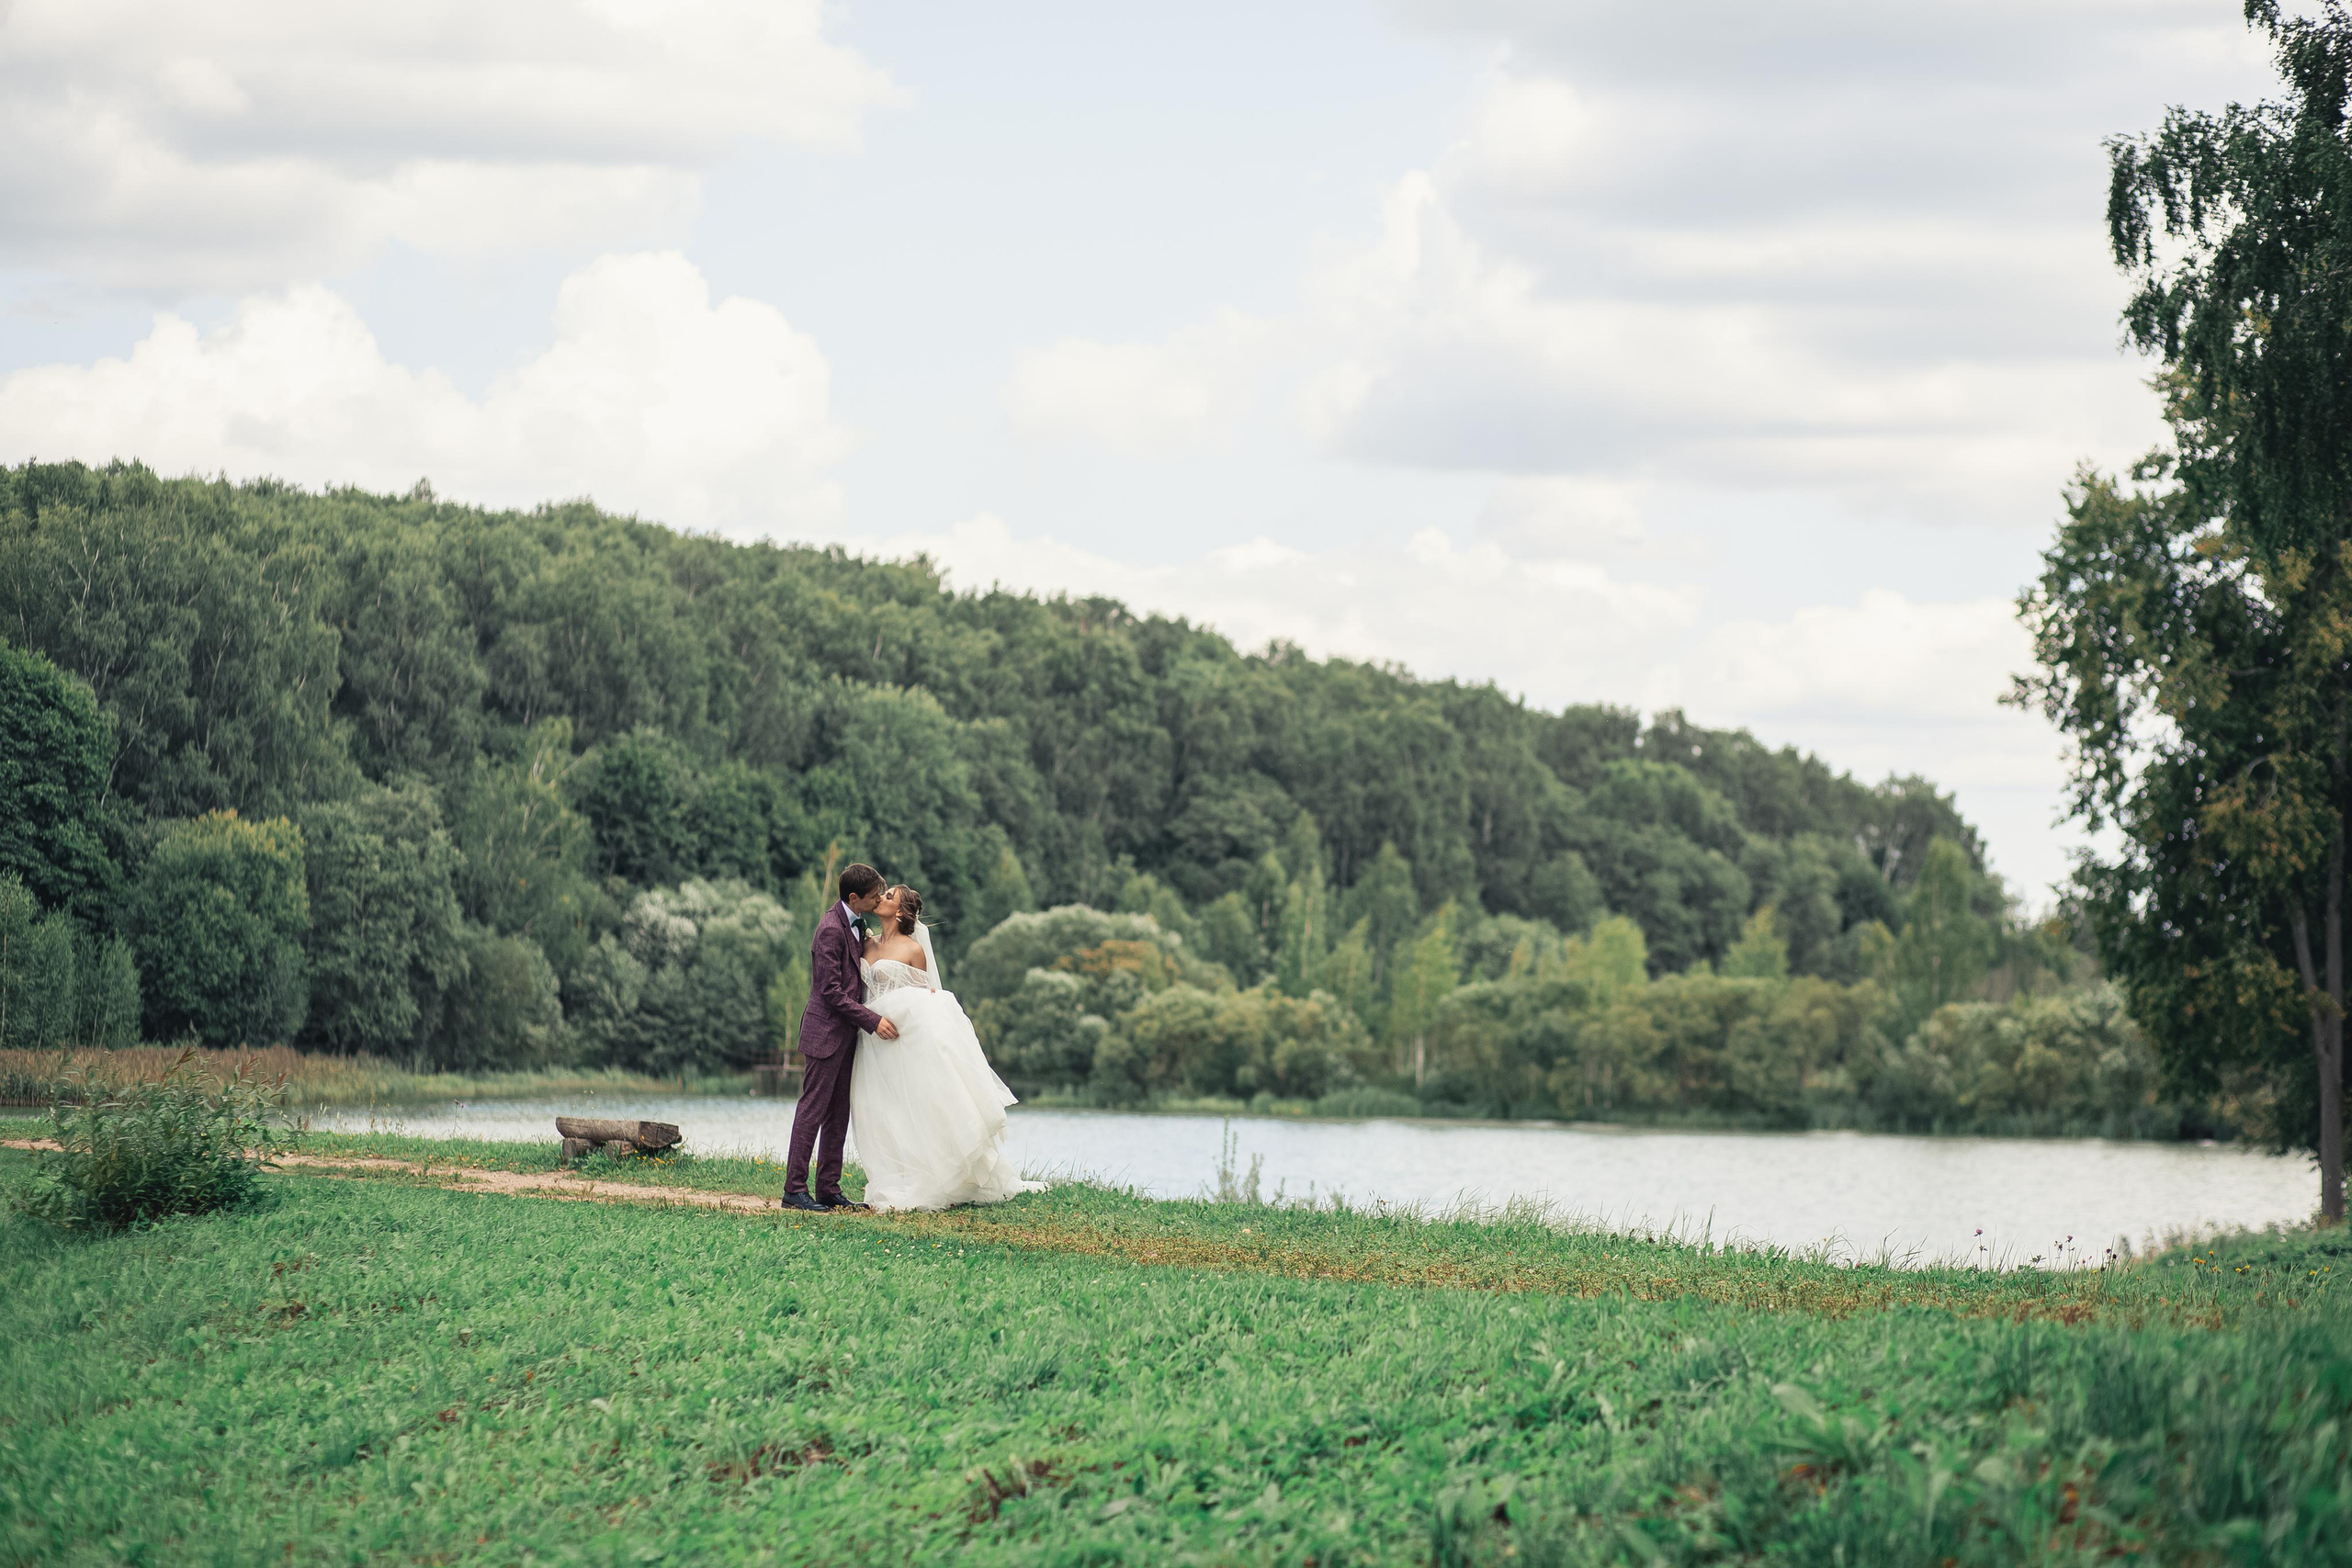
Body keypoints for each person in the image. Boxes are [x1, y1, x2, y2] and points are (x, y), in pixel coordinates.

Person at [846, 884, 1044, 1211]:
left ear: (900, 911)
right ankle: (892, 1171)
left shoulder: (913, 950)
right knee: (879, 1108)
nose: (881, 898)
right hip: (871, 1039)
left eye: (889, 896)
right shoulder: (865, 943)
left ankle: (929, 1173)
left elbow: (924, 1001)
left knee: (914, 1105)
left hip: (900, 1040)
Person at [781, 863, 897, 1212]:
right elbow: (830, 992)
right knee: (812, 1110)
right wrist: (872, 1020)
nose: (878, 899)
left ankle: (829, 1189)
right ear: (853, 898)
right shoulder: (831, 929)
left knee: (838, 1113)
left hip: (846, 1035)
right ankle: (794, 1191)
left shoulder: (856, 923)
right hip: (824, 1033)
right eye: (874, 895)